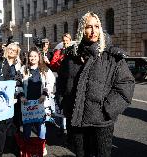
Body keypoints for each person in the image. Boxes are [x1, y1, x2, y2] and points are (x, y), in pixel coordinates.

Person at [55, 12, 135, 157]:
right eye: (89, 27)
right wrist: (64, 102)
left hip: (101, 123)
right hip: (76, 120)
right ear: (81, 30)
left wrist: (108, 109)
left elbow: (126, 84)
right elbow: (61, 81)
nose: (93, 31)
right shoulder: (71, 57)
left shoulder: (111, 57)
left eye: (97, 26)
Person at [20, 46, 55, 156]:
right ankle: (25, 147)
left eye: (35, 56)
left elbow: (50, 83)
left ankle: (42, 146)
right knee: (27, 126)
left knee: (41, 125)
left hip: (40, 102)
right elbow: (18, 84)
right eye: (31, 56)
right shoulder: (23, 69)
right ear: (28, 57)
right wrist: (21, 96)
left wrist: (44, 94)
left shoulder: (44, 69)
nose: (32, 58)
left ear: (38, 57)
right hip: (27, 103)